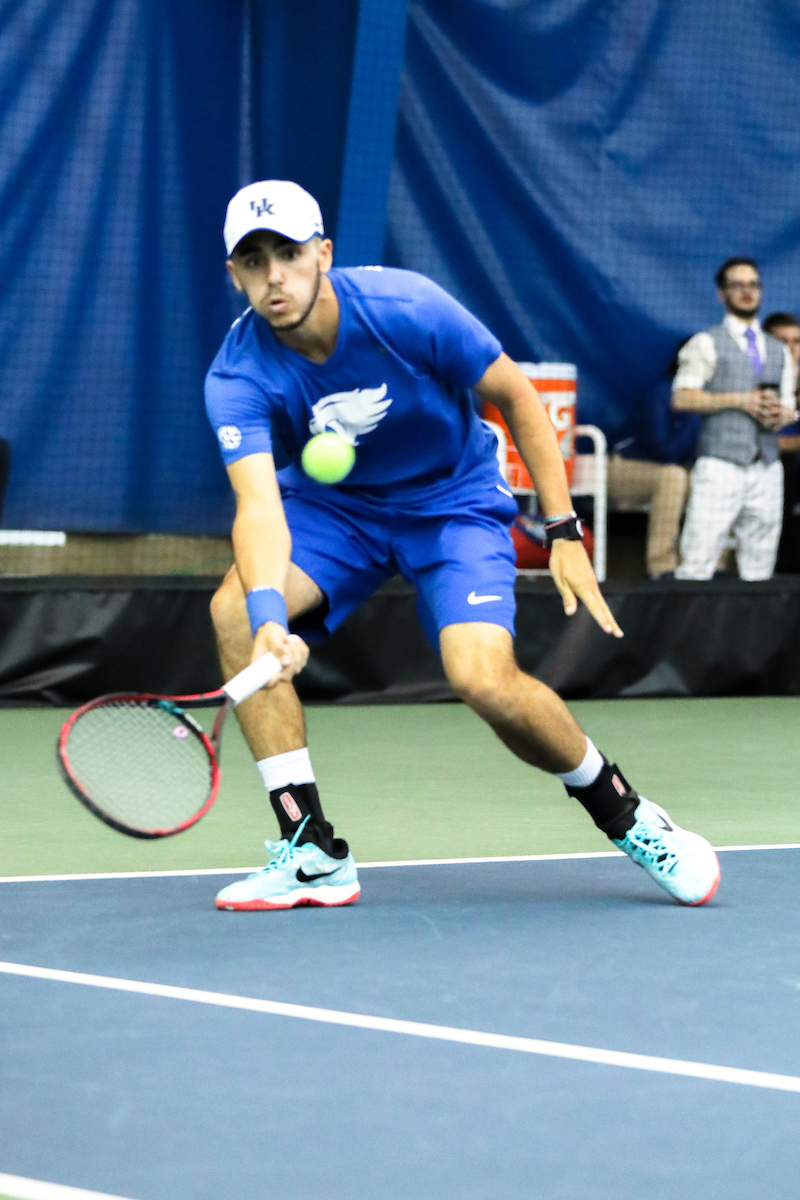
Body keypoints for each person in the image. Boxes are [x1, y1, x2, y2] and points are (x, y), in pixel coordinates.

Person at [205, 179, 720, 912]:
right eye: (253, 262)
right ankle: (311, 852)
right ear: (235, 274)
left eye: (287, 254)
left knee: (483, 679)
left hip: (452, 500)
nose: (274, 276)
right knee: (231, 613)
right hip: (337, 510)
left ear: (323, 252)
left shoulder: (405, 308)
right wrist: (265, 618)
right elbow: (258, 507)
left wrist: (564, 529)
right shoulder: (236, 373)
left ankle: (629, 815)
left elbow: (517, 396)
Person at [672, 258, 796, 581]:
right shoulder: (706, 342)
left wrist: (786, 413)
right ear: (722, 294)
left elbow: (787, 403)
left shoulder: (778, 350)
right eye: (738, 285)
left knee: (760, 563)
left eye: (753, 285)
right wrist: (740, 400)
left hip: (766, 465)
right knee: (698, 558)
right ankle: (687, 630)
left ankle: (755, 632)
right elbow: (682, 397)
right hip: (721, 463)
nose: (747, 292)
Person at [608, 344, 700, 578]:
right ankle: (662, 568)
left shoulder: (714, 399)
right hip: (620, 468)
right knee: (673, 476)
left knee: (714, 479)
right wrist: (696, 412)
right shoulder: (661, 393)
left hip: (672, 471)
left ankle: (706, 567)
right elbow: (663, 451)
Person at [762, 313, 800, 571]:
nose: (791, 348)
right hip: (771, 475)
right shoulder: (755, 384)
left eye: (796, 341)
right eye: (782, 341)